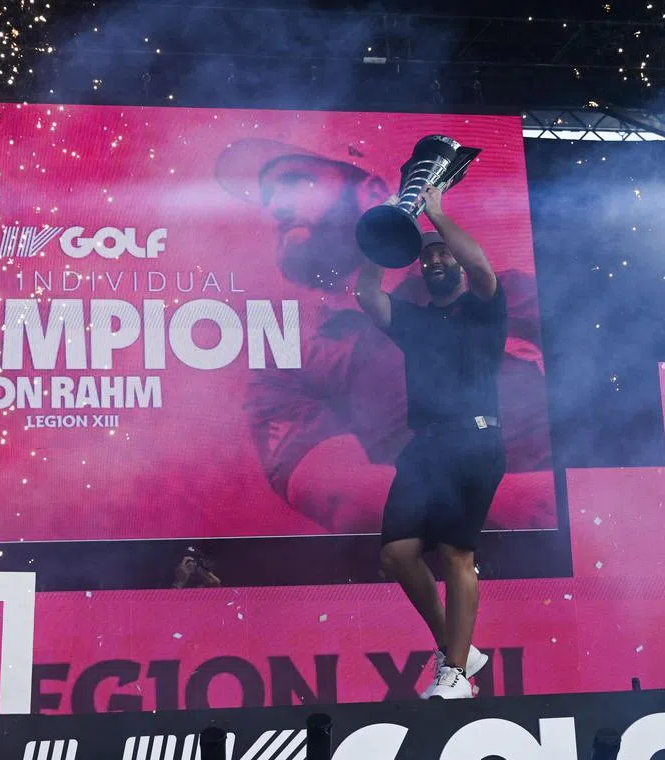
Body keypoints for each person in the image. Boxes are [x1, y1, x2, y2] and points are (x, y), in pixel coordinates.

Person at [215, 139, 554, 534]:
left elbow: (601, 400)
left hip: (579, 537)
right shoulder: (286, 362)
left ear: (372, 193)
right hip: (448, 555)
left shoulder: (509, 293)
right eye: (269, 197)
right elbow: (340, 491)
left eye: (297, 182)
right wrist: (496, 501)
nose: (275, 207)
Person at [354, 184, 505, 700]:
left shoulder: (484, 310)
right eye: (427, 257)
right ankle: (457, 650)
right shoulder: (414, 321)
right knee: (396, 554)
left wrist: (436, 216)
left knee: (456, 555)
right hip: (426, 448)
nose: (436, 259)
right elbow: (368, 296)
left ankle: (456, 674)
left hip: (476, 442)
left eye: (443, 253)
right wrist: (388, 236)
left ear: (456, 265)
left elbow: (483, 269)